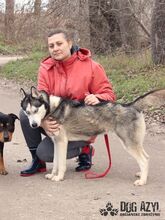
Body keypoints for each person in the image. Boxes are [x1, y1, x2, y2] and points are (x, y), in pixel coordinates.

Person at [19, 28, 116, 176]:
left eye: (59, 44)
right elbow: (41, 100)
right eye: (51, 46)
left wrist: (98, 97)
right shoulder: (45, 68)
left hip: (80, 124)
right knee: (26, 114)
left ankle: (84, 149)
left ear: (69, 43)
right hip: (56, 121)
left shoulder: (91, 66)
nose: (55, 49)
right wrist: (43, 121)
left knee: (46, 153)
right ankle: (37, 162)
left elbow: (109, 95)